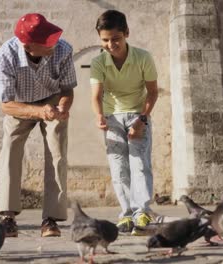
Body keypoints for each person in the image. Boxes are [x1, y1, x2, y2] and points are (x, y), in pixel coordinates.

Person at [0, 13, 77, 237]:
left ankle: (51, 219)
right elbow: (6, 105)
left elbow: (67, 89)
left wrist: (62, 108)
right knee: (10, 149)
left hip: (52, 98)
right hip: (18, 105)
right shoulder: (4, 57)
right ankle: (7, 217)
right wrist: (37, 112)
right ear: (29, 46)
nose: (54, 43)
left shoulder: (64, 49)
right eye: (47, 42)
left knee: (57, 150)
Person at [90, 10, 158, 235]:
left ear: (126, 33)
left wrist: (142, 119)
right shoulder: (98, 62)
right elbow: (96, 95)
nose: (111, 44)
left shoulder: (143, 57)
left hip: (138, 115)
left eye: (115, 39)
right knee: (119, 167)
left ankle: (142, 212)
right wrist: (99, 116)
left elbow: (152, 92)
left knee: (139, 164)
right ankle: (126, 214)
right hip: (112, 118)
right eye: (105, 40)